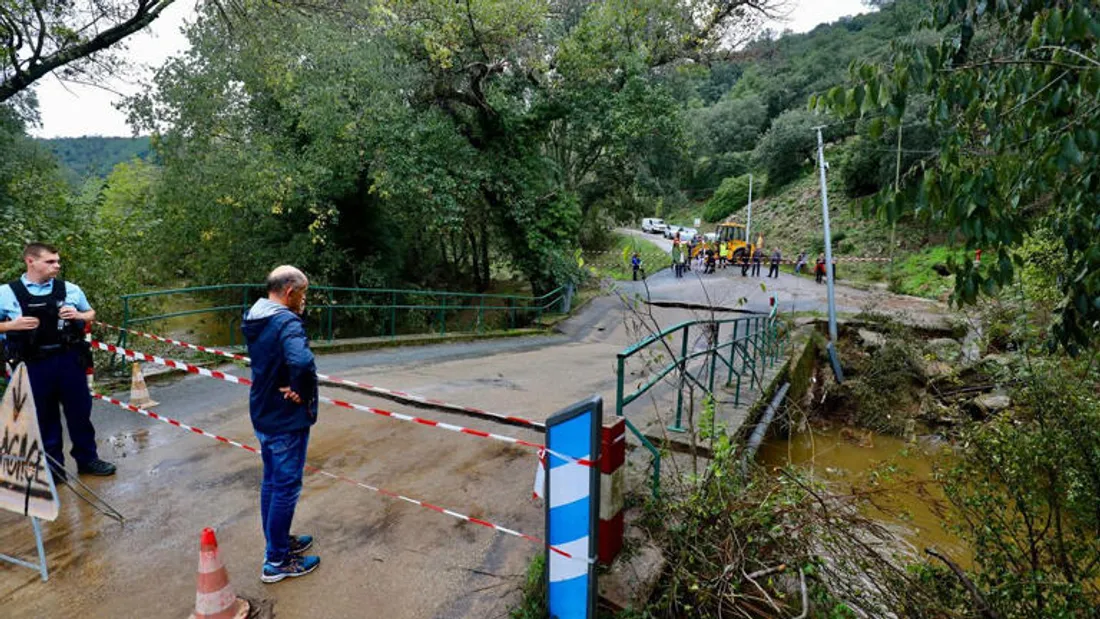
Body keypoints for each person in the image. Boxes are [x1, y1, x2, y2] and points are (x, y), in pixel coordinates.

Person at [0, 243, 115, 480]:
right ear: (30, 261)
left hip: (69, 359)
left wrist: (79, 316)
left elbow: (90, 313)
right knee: (44, 417)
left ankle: (88, 460)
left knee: (80, 413)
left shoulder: (70, 289)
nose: (57, 266)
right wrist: (11, 325)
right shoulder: (6, 293)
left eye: (58, 261)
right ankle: (54, 470)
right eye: (50, 261)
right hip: (32, 364)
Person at [242, 266, 321, 583]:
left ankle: (277, 542)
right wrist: (301, 390)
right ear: (290, 292)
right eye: (303, 294)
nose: (304, 301)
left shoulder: (255, 315)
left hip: (263, 410)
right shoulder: (286, 320)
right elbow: (301, 361)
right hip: (285, 416)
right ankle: (276, 561)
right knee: (286, 486)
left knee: (272, 482)